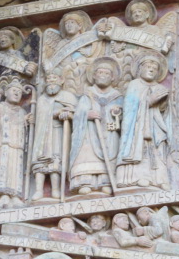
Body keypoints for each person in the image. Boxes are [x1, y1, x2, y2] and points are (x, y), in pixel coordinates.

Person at [116, 54, 170, 190]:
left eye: (154, 68)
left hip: (155, 126)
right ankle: (138, 177)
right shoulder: (135, 85)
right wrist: (147, 101)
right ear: (140, 69)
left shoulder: (159, 87)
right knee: (141, 149)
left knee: (158, 150)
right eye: (148, 66)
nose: (151, 70)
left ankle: (159, 179)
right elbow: (129, 107)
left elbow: (164, 111)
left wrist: (163, 103)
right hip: (137, 127)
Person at [69, 58, 123, 195]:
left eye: (106, 73)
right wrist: (86, 114)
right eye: (100, 73)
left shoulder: (117, 96)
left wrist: (118, 113)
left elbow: (126, 116)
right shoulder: (87, 95)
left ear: (112, 78)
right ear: (94, 76)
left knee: (111, 153)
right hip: (89, 133)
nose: (103, 76)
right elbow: (78, 113)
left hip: (110, 132)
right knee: (88, 153)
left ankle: (106, 182)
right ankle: (85, 182)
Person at [30, 71, 77, 200]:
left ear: (61, 80)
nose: (51, 80)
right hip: (42, 134)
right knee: (40, 160)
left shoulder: (67, 96)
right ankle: (38, 190)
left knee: (56, 159)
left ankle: (55, 189)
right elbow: (40, 116)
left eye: (54, 78)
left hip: (58, 132)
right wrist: (55, 112)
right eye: (48, 78)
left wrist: (68, 114)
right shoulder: (42, 99)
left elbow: (76, 113)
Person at [0, 78, 29, 208]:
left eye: (19, 92)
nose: (16, 93)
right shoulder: (0, 108)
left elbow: (23, 127)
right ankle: (2, 194)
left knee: (16, 170)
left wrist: (27, 121)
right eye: (14, 90)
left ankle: (14, 195)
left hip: (18, 145)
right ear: (6, 93)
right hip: (4, 143)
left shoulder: (21, 111)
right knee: (3, 168)